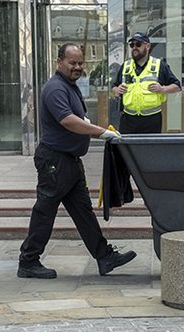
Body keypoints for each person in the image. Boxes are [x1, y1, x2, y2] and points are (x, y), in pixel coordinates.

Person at [18, 43, 137, 280]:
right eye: (72, 63)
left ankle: (104, 256)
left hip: (69, 161)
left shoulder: (69, 86)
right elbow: (68, 121)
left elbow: (77, 117)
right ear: (59, 62)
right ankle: (28, 261)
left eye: (80, 63)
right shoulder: (55, 88)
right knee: (45, 210)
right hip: (55, 160)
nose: (77, 67)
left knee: (83, 211)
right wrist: (101, 132)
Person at [110, 32, 181, 134]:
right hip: (128, 119)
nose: (134, 47)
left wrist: (162, 89)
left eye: (138, 44)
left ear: (147, 46)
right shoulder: (126, 66)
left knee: (149, 149)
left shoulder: (159, 65)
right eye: (132, 45)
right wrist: (117, 90)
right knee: (126, 148)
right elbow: (114, 87)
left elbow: (177, 86)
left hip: (151, 120)